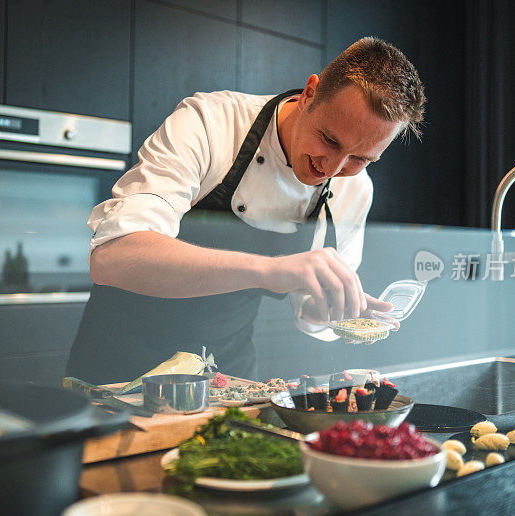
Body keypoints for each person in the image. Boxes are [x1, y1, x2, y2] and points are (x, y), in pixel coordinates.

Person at [65, 36, 426, 384]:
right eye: (329, 140)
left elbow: (310, 313)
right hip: (118, 373)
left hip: (226, 378)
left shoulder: (356, 189)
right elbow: (113, 256)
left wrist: (341, 307)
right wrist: (267, 270)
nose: (332, 168)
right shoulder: (211, 122)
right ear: (309, 94)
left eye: (360, 159)